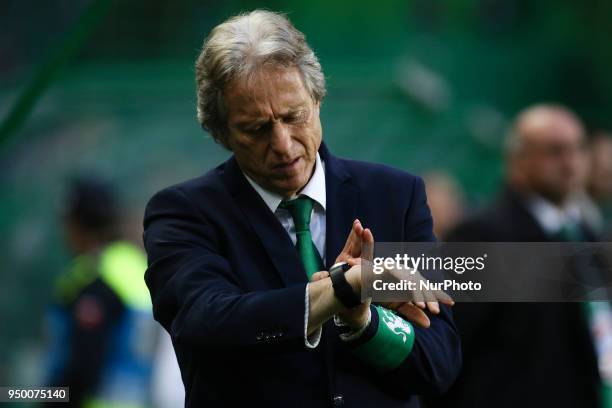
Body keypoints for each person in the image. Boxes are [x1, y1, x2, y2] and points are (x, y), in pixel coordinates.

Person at [143, 10, 461, 407]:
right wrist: (345, 287)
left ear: (318, 98)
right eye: (256, 128)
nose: (283, 144)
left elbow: (438, 364)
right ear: (220, 131)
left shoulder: (396, 195)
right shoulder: (184, 212)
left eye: (294, 117)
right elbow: (206, 324)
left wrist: (364, 322)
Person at [425, 104, 605, 408]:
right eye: (555, 151)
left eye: (578, 148)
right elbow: (448, 348)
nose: (571, 162)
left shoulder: (587, 233)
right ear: (518, 161)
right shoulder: (482, 235)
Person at [45, 176, 157, 407]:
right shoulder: (135, 265)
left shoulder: (91, 277)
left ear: (77, 224)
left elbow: (80, 371)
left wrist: (22, 396)